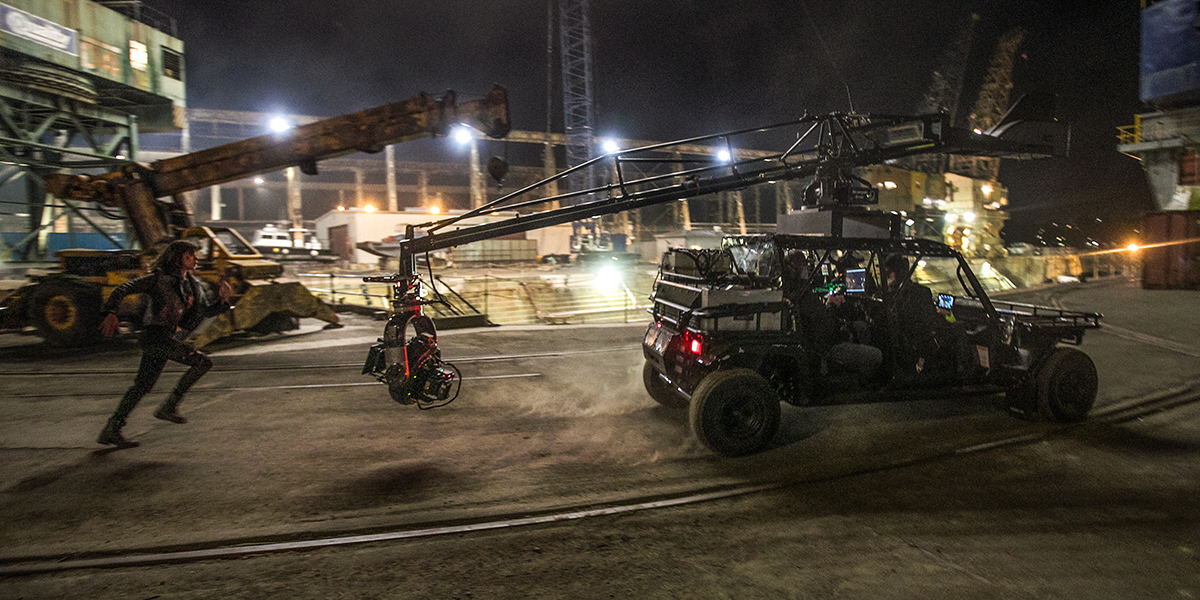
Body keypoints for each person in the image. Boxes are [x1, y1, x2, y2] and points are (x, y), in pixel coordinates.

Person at [96, 240, 233, 448]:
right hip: (155, 336)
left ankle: (111, 429)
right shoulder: (158, 280)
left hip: (166, 337)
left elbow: (204, 312)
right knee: (202, 363)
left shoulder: (193, 285)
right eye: (190, 255)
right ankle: (169, 406)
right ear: (179, 258)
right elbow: (122, 288)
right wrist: (111, 312)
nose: (195, 258)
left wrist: (223, 303)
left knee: (142, 386)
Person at [785, 251, 882, 380]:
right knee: (876, 355)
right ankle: (864, 384)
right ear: (798, 270)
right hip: (827, 348)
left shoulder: (798, 293)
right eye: (805, 266)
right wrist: (833, 307)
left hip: (826, 339)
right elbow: (826, 328)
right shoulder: (803, 296)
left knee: (861, 327)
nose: (809, 269)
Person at [881, 253, 942, 377]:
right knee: (958, 328)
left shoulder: (885, 295)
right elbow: (931, 321)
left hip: (906, 343)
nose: (887, 276)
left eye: (889, 272)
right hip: (915, 340)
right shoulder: (921, 293)